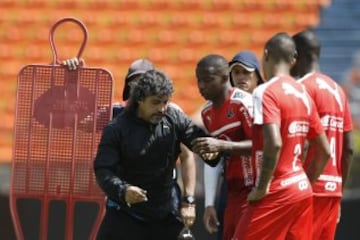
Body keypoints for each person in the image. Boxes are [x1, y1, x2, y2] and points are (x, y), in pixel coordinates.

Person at [93, 69, 222, 240]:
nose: (162, 108)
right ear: (140, 100)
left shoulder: (173, 118)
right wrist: (123, 190)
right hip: (125, 213)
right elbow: (103, 169)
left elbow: (196, 138)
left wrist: (210, 153)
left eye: (165, 102)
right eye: (155, 103)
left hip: (163, 214)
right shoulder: (116, 129)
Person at [233, 32, 331, 240]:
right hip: (301, 189)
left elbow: (274, 143)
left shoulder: (265, 91)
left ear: (266, 55)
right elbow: (324, 150)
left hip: (275, 191)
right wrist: (305, 183)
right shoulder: (303, 93)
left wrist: (261, 188)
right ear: (293, 60)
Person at [291, 29, 354, 240]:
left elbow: (300, 143)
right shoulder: (338, 90)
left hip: (307, 188)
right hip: (333, 190)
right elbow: (349, 149)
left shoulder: (299, 89)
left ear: (298, 56)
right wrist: (338, 193)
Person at [200, 51, 263, 240]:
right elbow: (214, 159)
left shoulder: (250, 103)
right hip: (232, 190)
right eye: (236, 73)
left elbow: (263, 147)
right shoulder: (208, 112)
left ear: (258, 76)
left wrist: (262, 187)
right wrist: (209, 202)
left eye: (246, 72)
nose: (241, 78)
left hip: (256, 188)